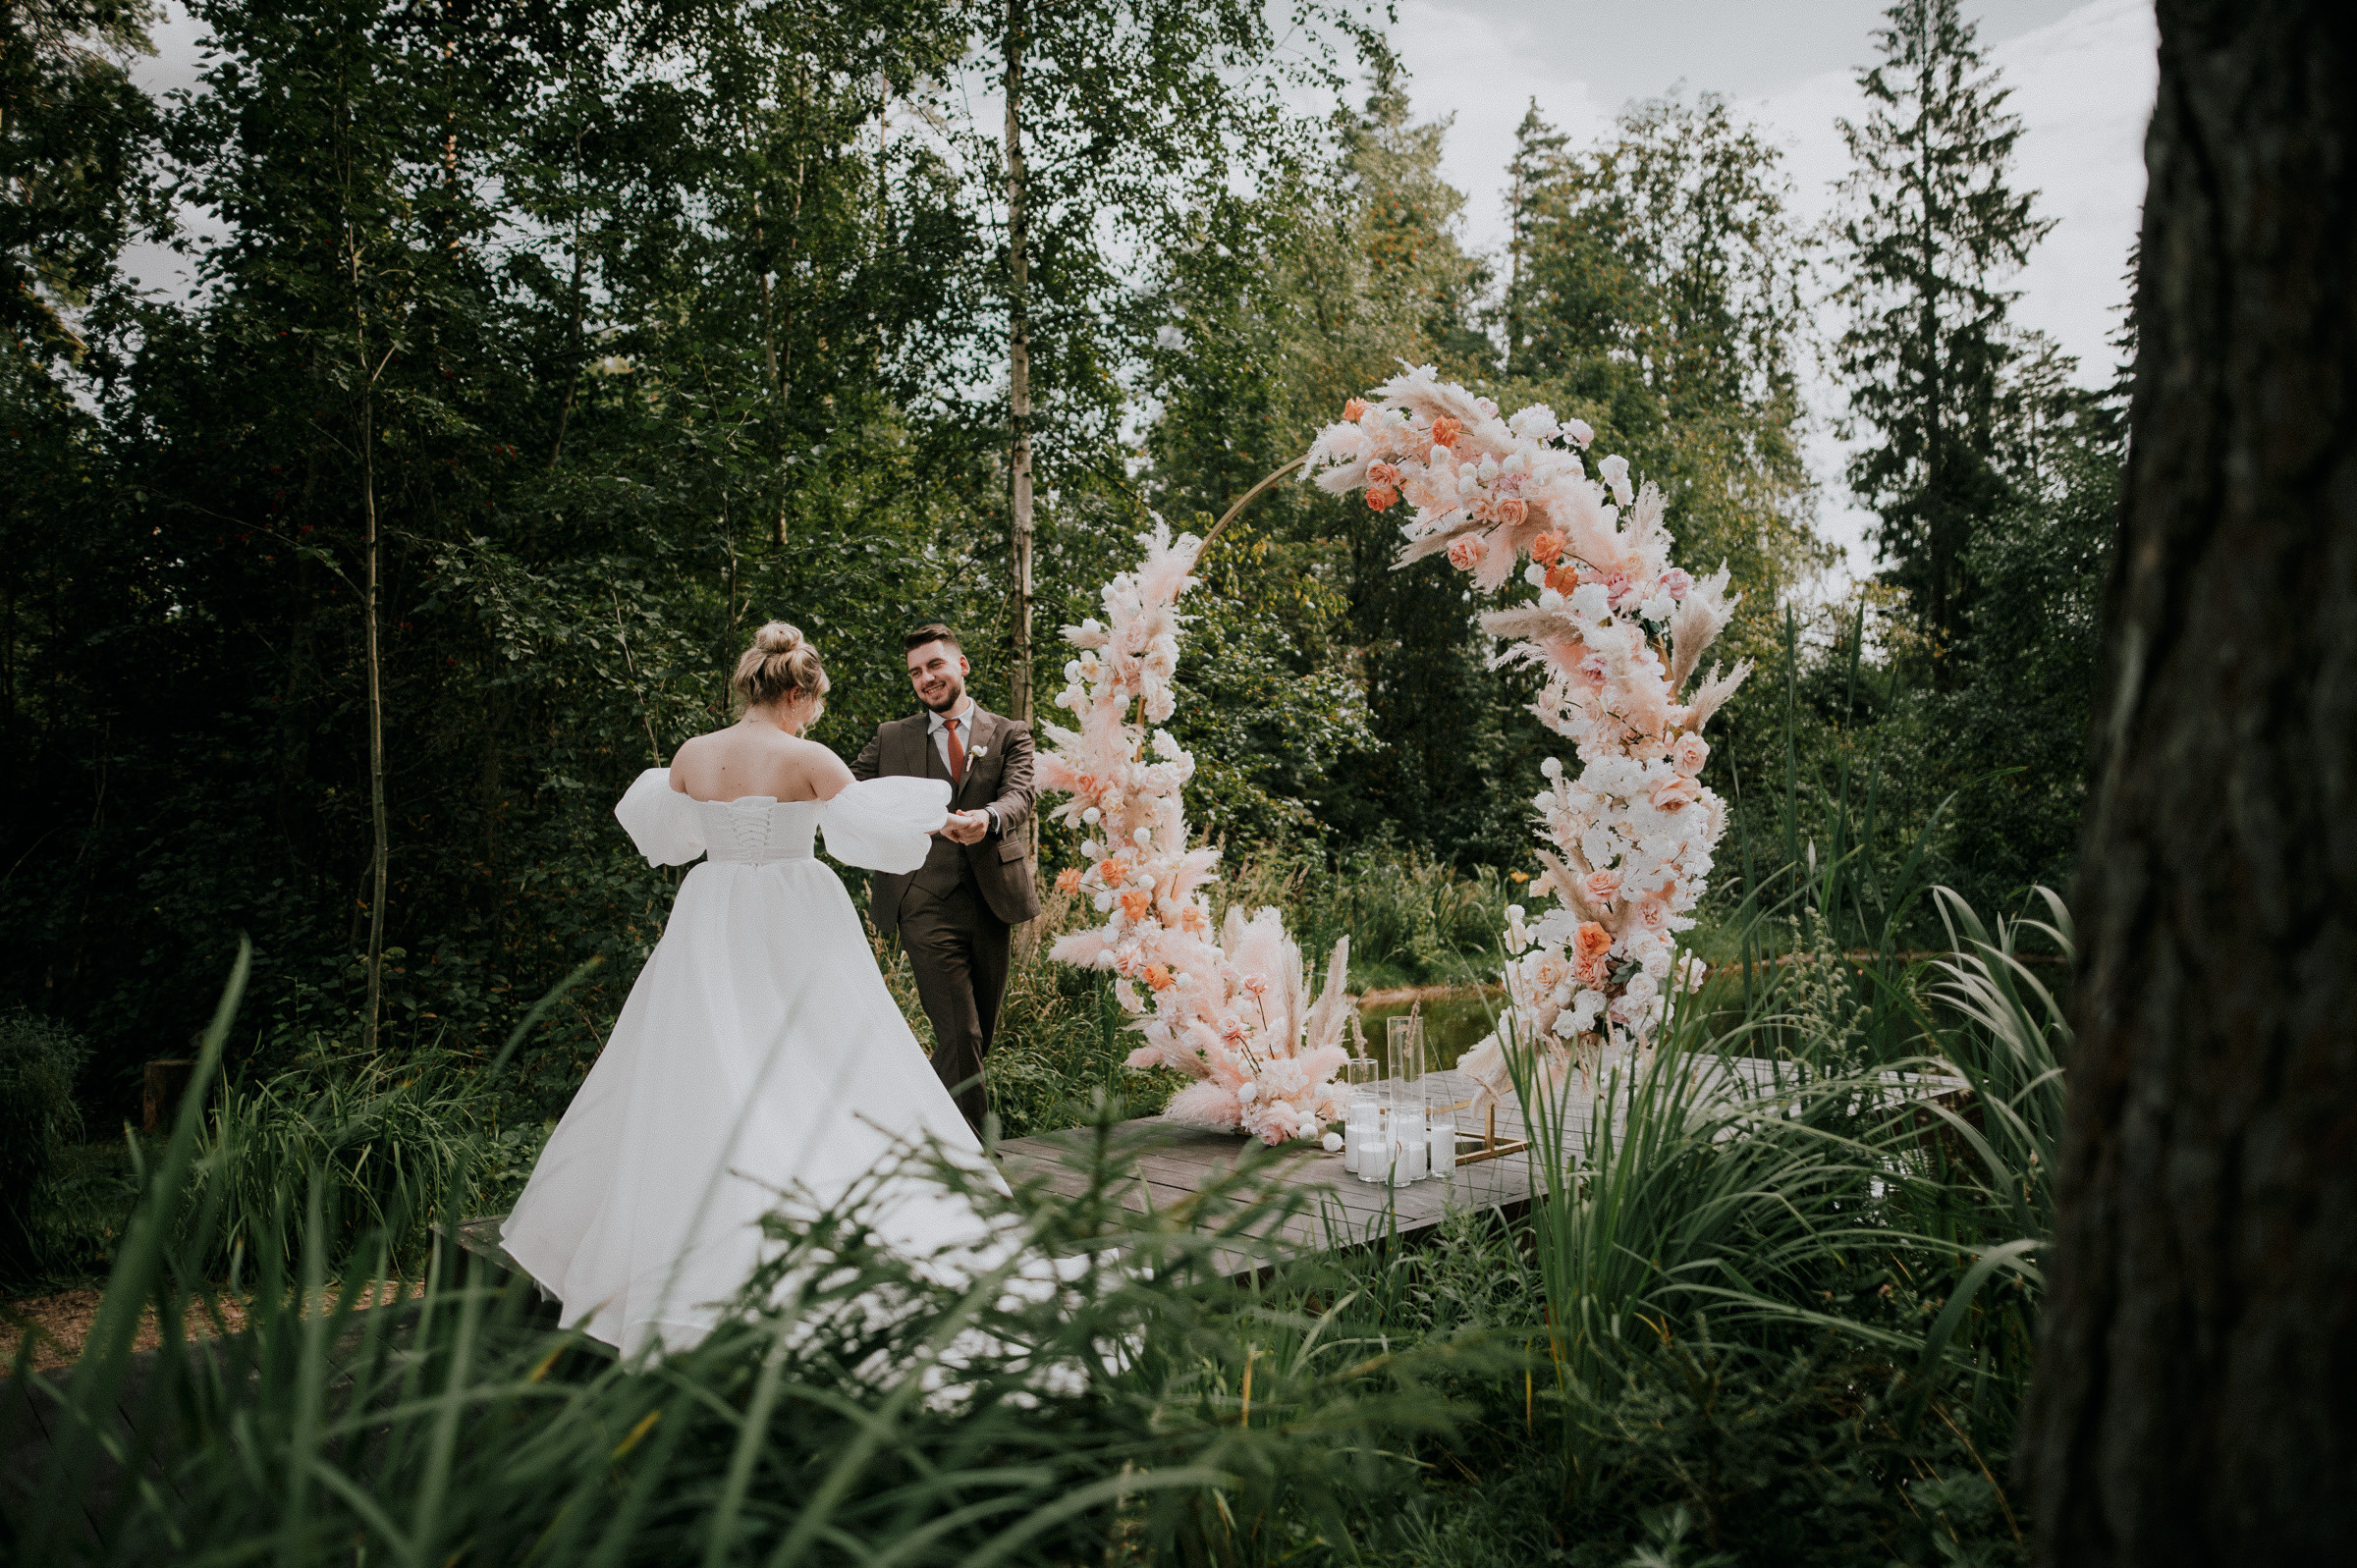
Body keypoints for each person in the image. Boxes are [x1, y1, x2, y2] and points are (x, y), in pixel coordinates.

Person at [499, 622, 1007, 1358]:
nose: (814, 716)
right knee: (817, 1048)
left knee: (702, 1050)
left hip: (712, 908)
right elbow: (867, 835)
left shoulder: (692, 755)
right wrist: (939, 818)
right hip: (796, 907)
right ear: (796, 694)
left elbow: (667, 836)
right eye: (815, 703)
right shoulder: (809, 758)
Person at [851, 624, 1041, 1136]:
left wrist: (988, 817)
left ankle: (917, 1127)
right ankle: (972, 1158)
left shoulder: (1009, 733)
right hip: (921, 898)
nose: (926, 678)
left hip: (991, 899)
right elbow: (851, 794)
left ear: (962, 665)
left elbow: (1021, 795)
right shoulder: (892, 737)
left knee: (978, 1035)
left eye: (934, 665)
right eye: (915, 672)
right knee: (961, 1034)